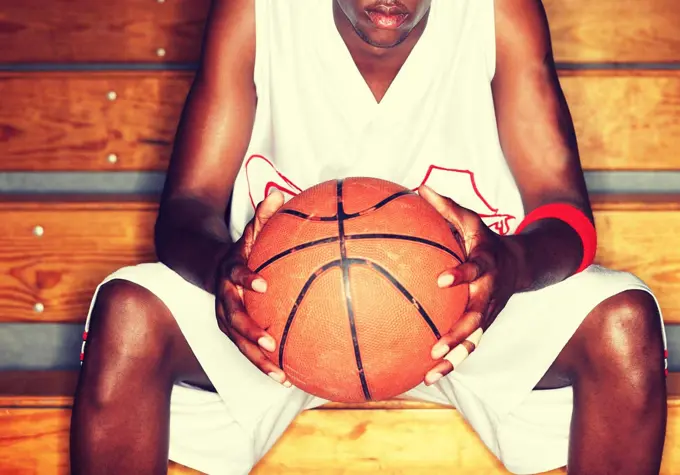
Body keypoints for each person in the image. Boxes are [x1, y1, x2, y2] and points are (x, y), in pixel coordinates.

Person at [70, 0, 669, 474]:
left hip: (467, 314)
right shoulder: (257, 10)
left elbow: (566, 211)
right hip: (276, 317)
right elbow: (187, 205)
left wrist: (510, 263)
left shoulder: (496, 11)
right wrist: (223, 275)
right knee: (131, 310)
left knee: (623, 319)